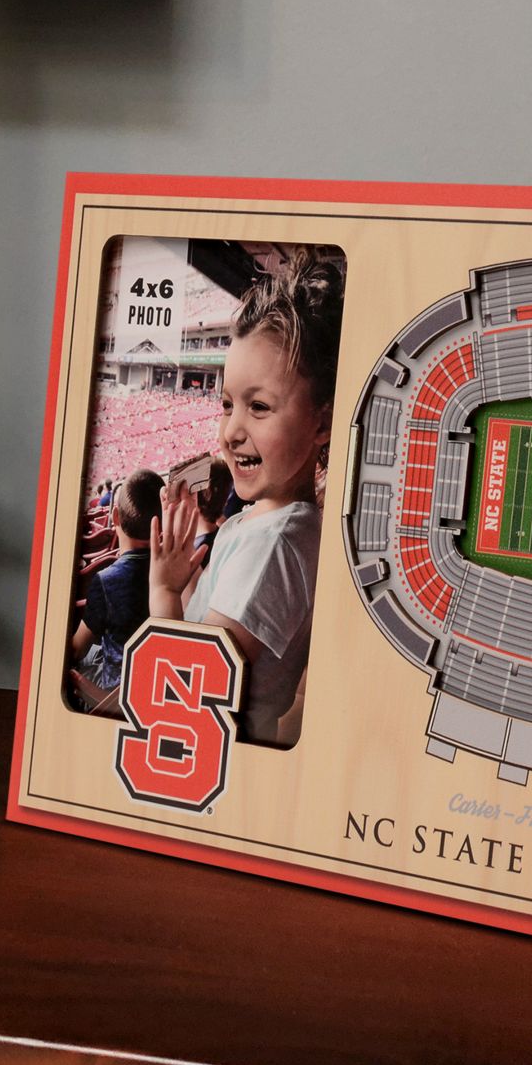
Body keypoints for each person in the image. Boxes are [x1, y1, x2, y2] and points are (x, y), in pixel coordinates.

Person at [149, 256, 344, 746]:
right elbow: (209, 620)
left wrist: (164, 592)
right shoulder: (262, 522)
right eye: (227, 404)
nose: (231, 431)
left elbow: (187, 692)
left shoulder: (275, 544)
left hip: (222, 752)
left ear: (321, 423)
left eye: (258, 406)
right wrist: (185, 583)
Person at [71, 469, 162, 694]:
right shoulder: (179, 573)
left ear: (115, 517)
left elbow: (76, 650)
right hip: (155, 685)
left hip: (114, 694)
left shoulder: (106, 581)